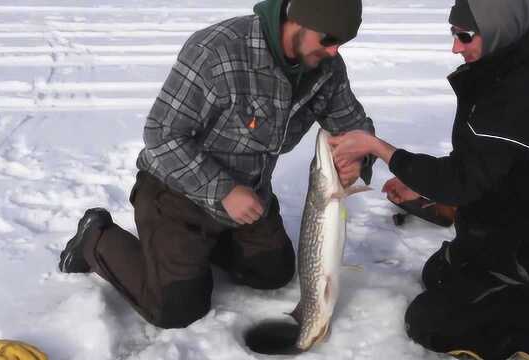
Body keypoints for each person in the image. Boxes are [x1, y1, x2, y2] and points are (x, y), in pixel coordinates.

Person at [57, 0, 374, 329]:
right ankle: (95, 238)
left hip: (249, 194)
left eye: (343, 42)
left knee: (273, 273)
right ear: (298, 22)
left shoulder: (325, 68)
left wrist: (357, 158)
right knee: (177, 308)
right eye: (329, 39)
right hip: (176, 191)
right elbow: (161, 134)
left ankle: (204, 245)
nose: (335, 52)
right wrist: (223, 190)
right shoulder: (218, 51)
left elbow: (352, 124)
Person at [329, 0, 529, 359]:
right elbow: (489, 165)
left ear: (499, 31)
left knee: (429, 320)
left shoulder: (517, 94)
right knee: (440, 273)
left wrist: (380, 149)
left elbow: (462, 180)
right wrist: (422, 183)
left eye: (465, 36)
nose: (455, 47)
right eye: (454, 34)